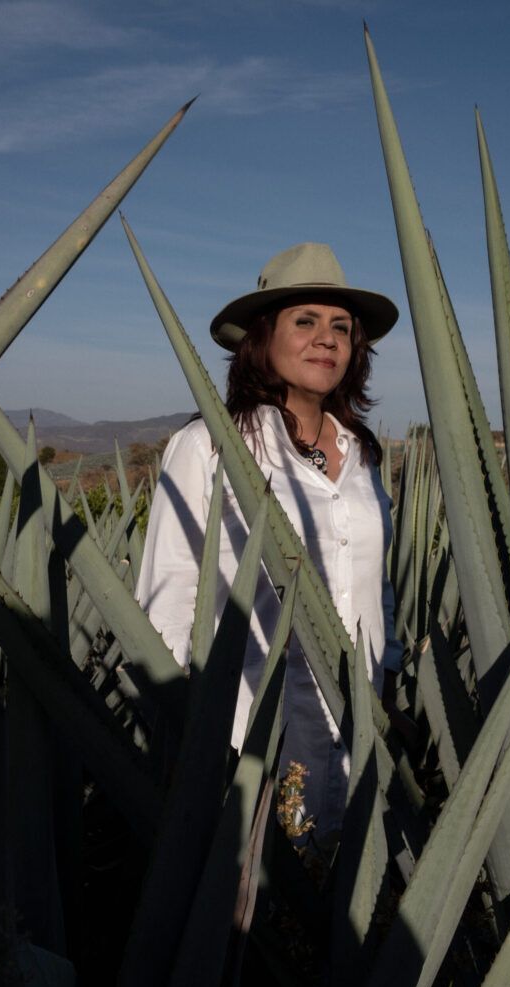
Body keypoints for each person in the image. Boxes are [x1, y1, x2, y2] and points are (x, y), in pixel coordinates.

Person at [136, 242, 403, 839]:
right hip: (247, 742)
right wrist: (191, 738)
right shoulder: (209, 446)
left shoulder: (361, 456)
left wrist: (388, 670)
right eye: (305, 321)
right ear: (261, 338)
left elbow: (376, 583)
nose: (327, 339)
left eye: (341, 327)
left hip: (358, 738)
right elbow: (169, 599)